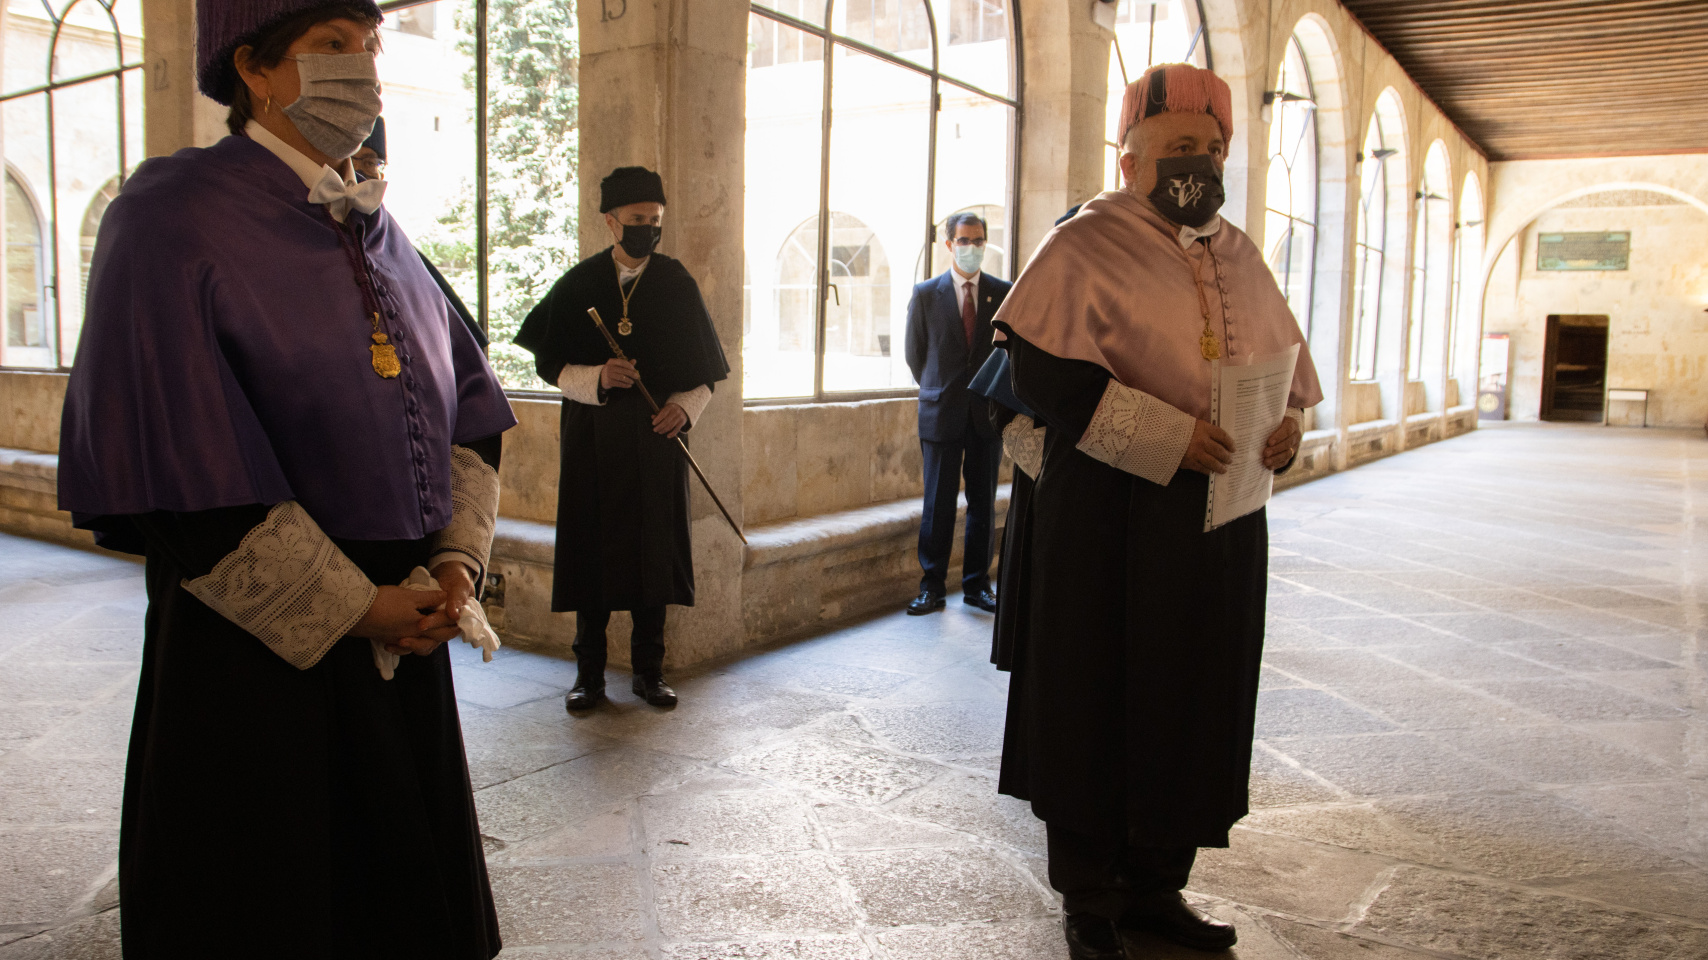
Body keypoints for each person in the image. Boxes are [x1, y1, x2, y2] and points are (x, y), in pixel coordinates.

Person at [56, 2, 517, 957]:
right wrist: (361, 608)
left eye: (373, 46)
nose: (367, 71)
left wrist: (453, 566)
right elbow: (174, 461)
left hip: (410, 622)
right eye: (333, 47)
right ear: (254, 70)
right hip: (257, 655)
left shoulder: (377, 225)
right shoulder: (170, 215)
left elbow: (467, 413)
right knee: (272, 894)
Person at [991, 63, 1322, 959]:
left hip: (1217, 526)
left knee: (1193, 697)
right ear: (1130, 155)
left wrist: (1288, 424)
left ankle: (1156, 888)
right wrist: (1163, 437)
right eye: (1181, 147)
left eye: (1213, 149)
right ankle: (1089, 900)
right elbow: (1043, 375)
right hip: (1107, 519)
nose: (1200, 165)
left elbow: (1286, 369)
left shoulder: (1240, 251)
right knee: (1097, 698)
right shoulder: (1084, 243)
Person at [513, 166, 729, 712]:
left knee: (652, 554)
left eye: (655, 221)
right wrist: (596, 378)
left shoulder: (677, 283)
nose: (647, 230)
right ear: (611, 221)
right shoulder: (581, 283)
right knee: (593, 554)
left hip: (656, 443)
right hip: (593, 441)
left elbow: (705, 373)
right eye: (636, 220)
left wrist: (683, 408)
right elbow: (551, 362)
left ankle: (648, 671)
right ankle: (588, 674)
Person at [902, 211, 1013, 615]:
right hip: (941, 411)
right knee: (938, 504)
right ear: (949, 245)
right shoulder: (926, 294)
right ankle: (931, 586)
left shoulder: (1003, 292)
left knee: (983, 502)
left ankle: (977, 585)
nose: (972, 248)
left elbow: (1009, 355)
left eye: (979, 241)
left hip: (986, 414)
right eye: (964, 241)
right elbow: (915, 355)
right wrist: (938, 389)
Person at [354, 116, 489, 349]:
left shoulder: (399, 251)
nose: (358, 174)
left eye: (370, 163)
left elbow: (463, 341)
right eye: (349, 162)